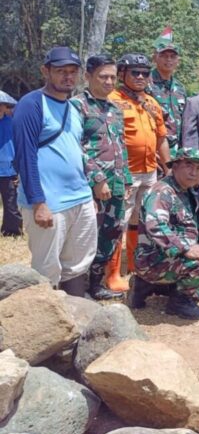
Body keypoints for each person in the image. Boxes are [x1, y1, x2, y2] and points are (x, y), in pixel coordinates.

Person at [12, 47, 96, 295]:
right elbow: (24, 156)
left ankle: (75, 316)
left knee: (78, 263)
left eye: (72, 72)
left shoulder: (74, 107)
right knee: (46, 267)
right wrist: (38, 202)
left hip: (80, 198)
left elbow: (76, 152)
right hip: (49, 202)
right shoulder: (31, 104)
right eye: (61, 71)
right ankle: (45, 324)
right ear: (45, 71)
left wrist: (88, 196)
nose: (68, 77)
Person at [128, 148, 199, 320]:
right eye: (188, 166)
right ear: (174, 167)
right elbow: (156, 226)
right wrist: (184, 249)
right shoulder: (162, 192)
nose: (194, 172)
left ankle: (145, 286)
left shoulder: (186, 191)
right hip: (153, 260)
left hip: (165, 257)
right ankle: (179, 304)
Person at [71, 55, 130, 299]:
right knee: (87, 235)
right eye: (103, 77)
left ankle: (97, 285)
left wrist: (125, 180)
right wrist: (97, 180)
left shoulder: (115, 109)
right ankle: (79, 288)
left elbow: (120, 146)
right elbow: (77, 147)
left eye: (112, 77)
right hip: (91, 186)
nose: (108, 82)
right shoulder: (78, 106)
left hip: (116, 185)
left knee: (111, 234)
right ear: (88, 76)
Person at [110, 53, 170, 272]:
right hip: (124, 173)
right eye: (135, 72)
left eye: (145, 73)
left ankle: (136, 263)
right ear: (122, 74)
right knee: (119, 221)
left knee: (142, 219)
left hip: (150, 171)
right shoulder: (112, 100)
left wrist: (168, 166)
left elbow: (161, 137)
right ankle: (112, 271)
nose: (140, 77)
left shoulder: (152, 102)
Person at [147, 27, 187, 151]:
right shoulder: (146, 83)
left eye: (172, 56)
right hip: (153, 149)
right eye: (163, 56)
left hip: (176, 151)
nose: (168, 60)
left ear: (177, 61)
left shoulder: (180, 88)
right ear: (155, 58)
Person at [0, 90, 22, 237]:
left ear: (5, 106)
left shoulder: (13, 123)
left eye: (0, 105)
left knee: (10, 203)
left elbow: (19, 146)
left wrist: (19, 170)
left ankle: (12, 231)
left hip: (8, 170)